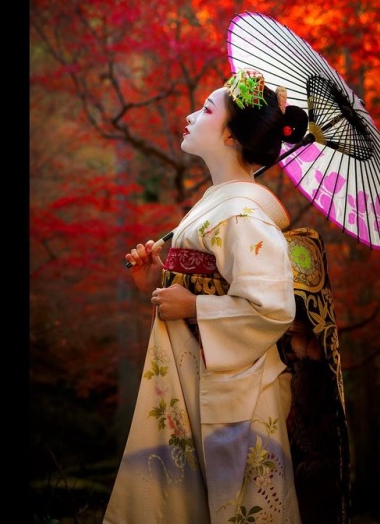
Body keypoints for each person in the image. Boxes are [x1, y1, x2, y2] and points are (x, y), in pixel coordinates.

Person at [103, 69, 311, 524]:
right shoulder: (218, 203)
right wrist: (158, 281)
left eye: (206, 110)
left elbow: (271, 308)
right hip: (201, 376)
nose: (190, 115)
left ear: (232, 135)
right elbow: (204, 285)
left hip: (237, 391)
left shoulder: (243, 214)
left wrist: (193, 305)